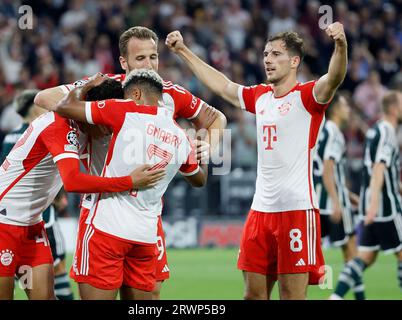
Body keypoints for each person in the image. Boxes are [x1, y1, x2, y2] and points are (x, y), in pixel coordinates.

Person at [34, 26, 226, 299]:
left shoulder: (169, 94)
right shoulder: (107, 89)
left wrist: (209, 146)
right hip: (102, 208)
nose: (149, 65)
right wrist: (93, 106)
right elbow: (44, 98)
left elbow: (217, 118)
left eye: (153, 57)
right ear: (123, 62)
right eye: (140, 59)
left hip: (147, 214)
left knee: (149, 298)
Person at [165, 22, 348, 299]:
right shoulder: (260, 96)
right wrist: (183, 51)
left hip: (296, 211)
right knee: (252, 296)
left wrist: (341, 45)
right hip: (260, 211)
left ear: (294, 60)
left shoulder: (308, 96)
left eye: (276, 54)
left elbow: (334, 77)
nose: (267, 60)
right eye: (265, 54)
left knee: (292, 296)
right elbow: (224, 86)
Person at [0, 89, 165, 300]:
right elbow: (72, 180)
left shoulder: (79, 126)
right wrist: (129, 182)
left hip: (31, 222)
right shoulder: (59, 125)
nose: (110, 130)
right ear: (91, 114)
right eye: (106, 122)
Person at [48, 69, 208, 300]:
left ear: (135, 93)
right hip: (144, 236)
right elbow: (199, 179)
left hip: (106, 230)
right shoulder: (180, 136)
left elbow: (64, 106)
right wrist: (200, 151)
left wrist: (87, 85)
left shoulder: (124, 110)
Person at [1, 90, 73, 300]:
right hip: (39, 207)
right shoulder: (40, 129)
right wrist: (59, 196)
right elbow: (51, 167)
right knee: (57, 265)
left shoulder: (10, 135)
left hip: (11, 207)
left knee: (14, 269)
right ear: (34, 108)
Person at [330, 91, 402, 300]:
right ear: (393, 108)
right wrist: (373, 207)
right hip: (385, 207)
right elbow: (379, 168)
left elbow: (382, 170)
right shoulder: (387, 131)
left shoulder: (375, 130)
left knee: (365, 257)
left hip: (373, 204)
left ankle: (336, 298)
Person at [313, 94, 358, 259]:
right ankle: (355, 286)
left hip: (317, 200)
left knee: (312, 252)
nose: (348, 110)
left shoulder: (322, 130)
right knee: (351, 250)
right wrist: (337, 201)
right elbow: (328, 170)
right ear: (336, 110)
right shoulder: (334, 133)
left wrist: (348, 193)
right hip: (332, 200)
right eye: (345, 106)